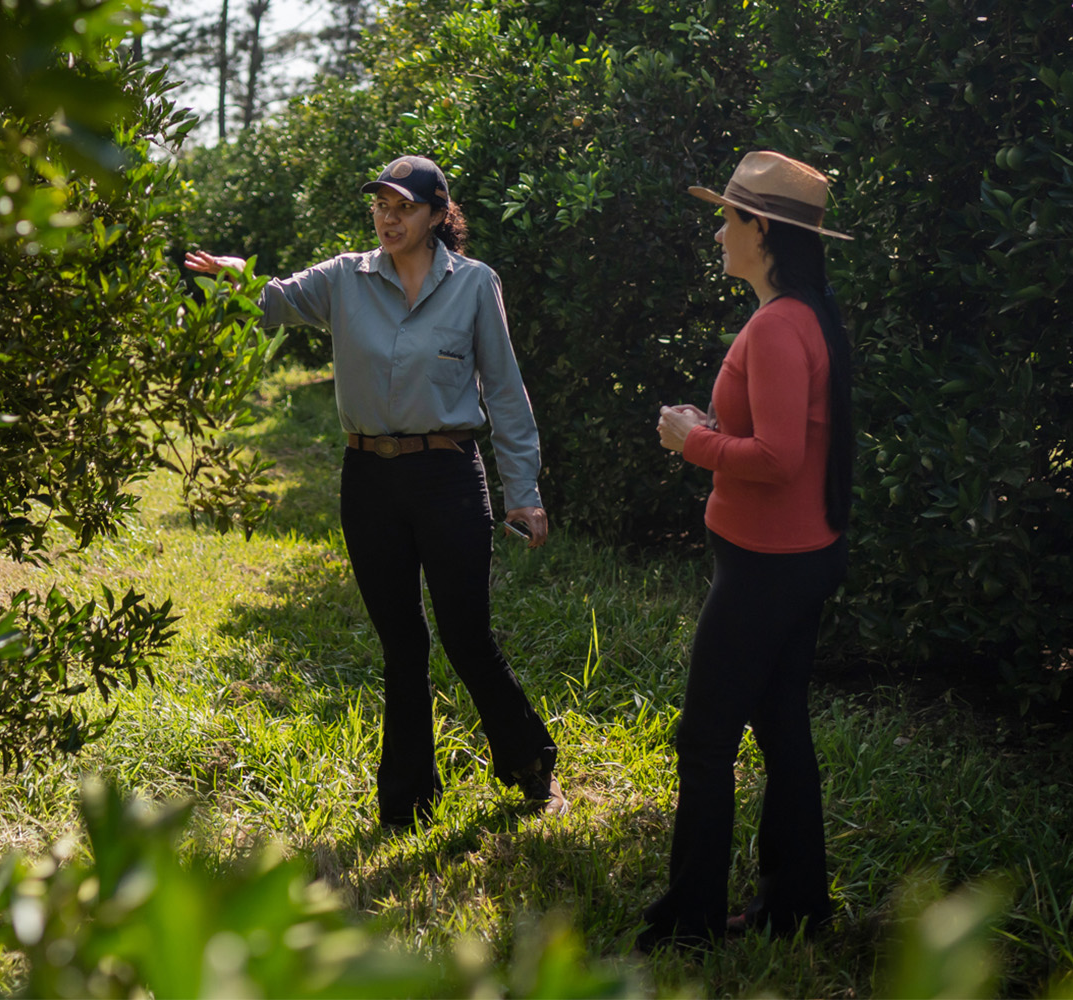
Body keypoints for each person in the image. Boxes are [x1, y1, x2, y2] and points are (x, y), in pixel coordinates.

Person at [184, 155, 564, 828]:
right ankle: (407, 803)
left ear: (437, 215)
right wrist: (234, 280)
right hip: (369, 481)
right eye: (381, 206)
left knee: (466, 634)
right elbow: (273, 303)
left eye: (403, 207)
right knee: (401, 643)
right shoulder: (343, 278)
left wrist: (524, 491)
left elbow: (505, 391)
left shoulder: (475, 285)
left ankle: (531, 765)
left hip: (447, 474)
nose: (388, 219)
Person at [639, 150, 855, 949]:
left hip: (767, 567)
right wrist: (716, 434)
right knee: (781, 726)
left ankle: (690, 920)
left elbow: (778, 460)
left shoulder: (776, 326)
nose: (718, 233)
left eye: (727, 218)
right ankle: (796, 906)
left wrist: (693, 441)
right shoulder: (805, 315)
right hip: (799, 556)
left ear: (761, 228)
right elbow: (787, 443)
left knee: (704, 740)